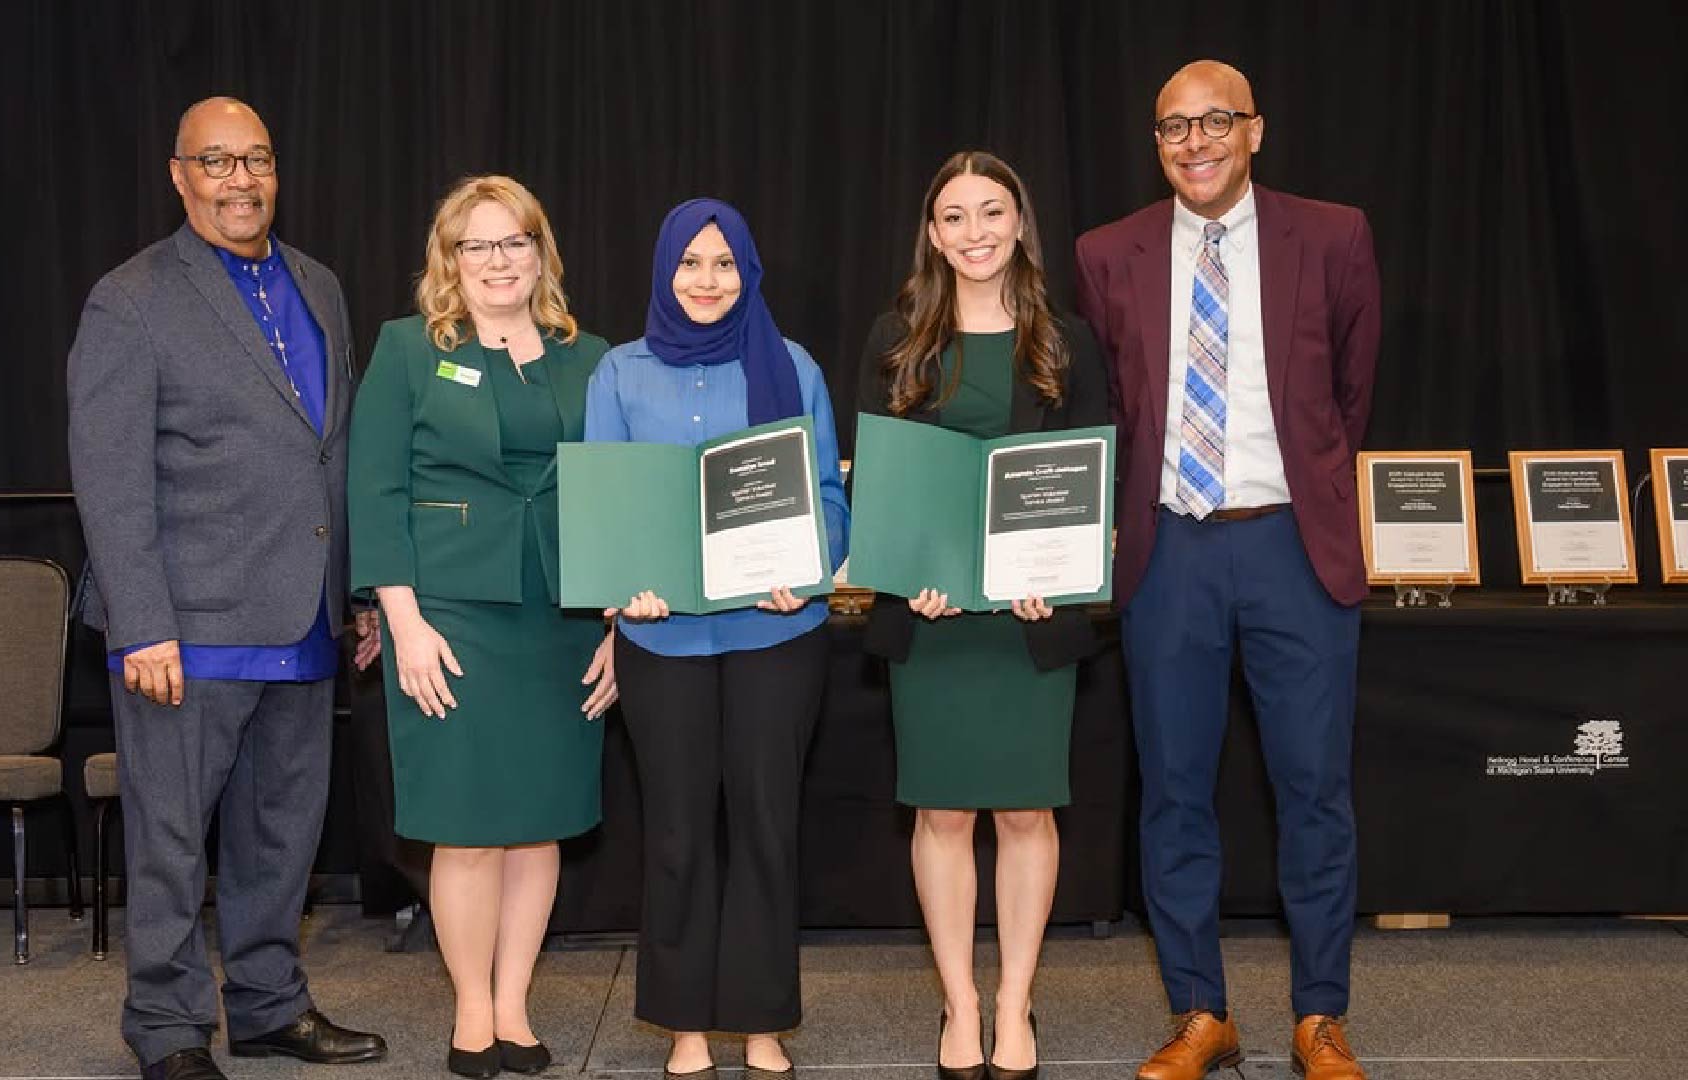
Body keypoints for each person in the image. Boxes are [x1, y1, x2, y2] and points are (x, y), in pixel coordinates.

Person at [67, 97, 386, 1080]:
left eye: (257, 159)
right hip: (187, 631)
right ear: (179, 176)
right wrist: (142, 624)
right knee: (171, 846)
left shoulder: (321, 287)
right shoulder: (130, 299)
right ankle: (166, 1032)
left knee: (280, 838)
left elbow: (337, 451)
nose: (241, 179)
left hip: (301, 620)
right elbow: (109, 477)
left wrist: (360, 595)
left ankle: (266, 1004)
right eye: (218, 161)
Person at [1073, 61, 1380, 1080]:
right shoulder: (1106, 254)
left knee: (1314, 789)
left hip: (1293, 544)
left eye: (1215, 122)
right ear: (1155, 143)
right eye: (1173, 128)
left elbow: (1349, 388)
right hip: (1170, 553)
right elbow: (1113, 405)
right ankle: (1200, 1011)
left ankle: (1320, 1016)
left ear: (1255, 130)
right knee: (1173, 792)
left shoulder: (1333, 235)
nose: (1195, 142)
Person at [347, 175, 616, 1079]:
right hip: (449, 616)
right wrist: (404, 621)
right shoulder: (408, 349)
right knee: (466, 826)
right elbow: (375, 490)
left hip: (563, 617)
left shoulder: (592, 356)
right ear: (449, 259)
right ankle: (470, 1009)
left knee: (537, 824)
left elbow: (619, 500)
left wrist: (619, 628)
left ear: (541, 251)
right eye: (479, 245)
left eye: (516, 242)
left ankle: (515, 1004)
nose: (499, 260)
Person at [856, 150, 1109, 1080]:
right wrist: (903, 569)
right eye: (954, 216)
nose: (974, 233)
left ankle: (1015, 1002)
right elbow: (878, 475)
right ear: (932, 232)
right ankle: (960, 1001)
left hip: (1029, 619)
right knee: (945, 813)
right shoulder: (896, 336)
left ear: (1018, 223)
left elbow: (1091, 476)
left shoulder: (1065, 339)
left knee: (1028, 811)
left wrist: (1064, 572)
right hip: (932, 620)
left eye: (991, 212)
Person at [585, 199, 849, 1080]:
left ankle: (762, 1019)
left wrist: (807, 569)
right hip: (663, 645)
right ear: (664, 272)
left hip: (777, 632)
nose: (707, 281)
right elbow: (607, 510)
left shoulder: (795, 367)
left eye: (725, 264)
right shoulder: (618, 375)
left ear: (750, 273)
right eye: (690, 264)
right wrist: (628, 584)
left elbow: (830, 499)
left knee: (769, 827)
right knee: (677, 831)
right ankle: (685, 1023)